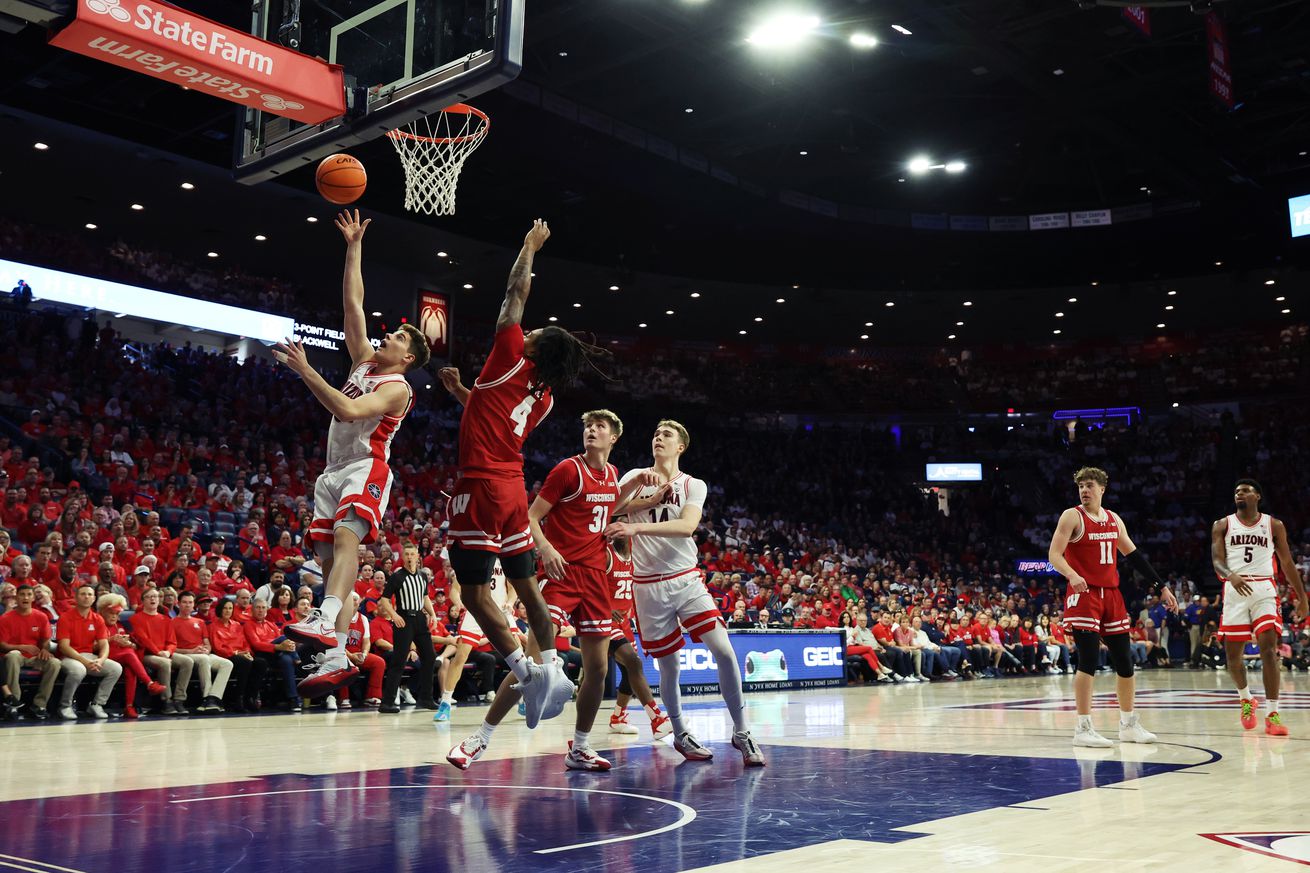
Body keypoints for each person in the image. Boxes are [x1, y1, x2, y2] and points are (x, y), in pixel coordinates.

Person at [437, 221, 611, 731]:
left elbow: (515, 290)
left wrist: (529, 247)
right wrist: (461, 391)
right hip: (512, 484)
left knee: (473, 594)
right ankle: (553, 668)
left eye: (533, 332)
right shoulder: (547, 397)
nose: (526, 328)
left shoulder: (511, 350)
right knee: (526, 586)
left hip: (480, 485)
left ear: (533, 348)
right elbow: (493, 416)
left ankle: (525, 671)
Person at [277, 210, 430, 697]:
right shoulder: (365, 359)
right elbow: (353, 302)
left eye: (399, 338)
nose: (388, 335)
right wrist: (353, 246)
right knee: (328, 565)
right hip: (331, 472)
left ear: (407, 357)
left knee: (346, 544)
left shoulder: (397, 388)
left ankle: (325, 622)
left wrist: (306, 369)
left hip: (367, 468)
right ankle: (337, 653)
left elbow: (344, 409)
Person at [449, 409, 649, 770]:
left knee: (599, 668)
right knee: (533, 661)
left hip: (595, 580)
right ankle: (480, 738)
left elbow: (606, 508)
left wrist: (641, 497)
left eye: (599, 426)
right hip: (561, 573)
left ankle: (581, 747)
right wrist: (546, 548)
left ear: (613, 437)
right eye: (587, 425)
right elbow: (529, 516)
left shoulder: (612, 476)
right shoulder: (568, 470)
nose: (591, 430)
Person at [605, 420, 765, 767]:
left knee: (723, 650)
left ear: (681, 446)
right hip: (647, 585)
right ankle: (680, 734)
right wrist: (641, 497)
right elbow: (606, 510)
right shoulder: (634, 476)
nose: (657, 438)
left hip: (685, 578)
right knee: (669, 667)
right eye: (655, 433)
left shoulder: (693, 484)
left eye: (666, 435)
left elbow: (686, 526)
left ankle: (742, 731)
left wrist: (636, 524)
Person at [1048, 466, 1177, 748]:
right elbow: (1054, 554)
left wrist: (1162, 587)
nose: (1084, 490)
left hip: (1112, 594)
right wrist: (1071, 574)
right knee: (1088, 660)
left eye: (1090, 485)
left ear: (1102, 489)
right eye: (1081, 485)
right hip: (1084, 594)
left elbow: (1135, 556)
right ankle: (1083, 728)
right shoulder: (1072, 516)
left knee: (1125, 662)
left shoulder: (1113, 519)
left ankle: (1128, 724)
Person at [1211, 479, 1308, 735]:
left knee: (1269, 650)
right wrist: (1229, 575)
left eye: (1245, 490)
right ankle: (1246, 699)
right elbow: (1217, 561)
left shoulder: (1273, 525)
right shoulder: (1222, 524)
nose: (1239, 494)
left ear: (1257, 496)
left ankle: (1273, 714)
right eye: (1236, 491)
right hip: (1234, 589)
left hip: (1264, 588)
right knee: (1233, 658)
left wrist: (1303, 597)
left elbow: (1287, 563)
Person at [605, 535, 672, 737]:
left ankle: (617, 718)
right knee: (634, 664)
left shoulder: (636, 554)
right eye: (614, 527)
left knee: (628, 672)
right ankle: (657, 719)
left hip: (624, 622)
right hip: (603, 618)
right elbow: (589, 583)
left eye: (622, 527)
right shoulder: (606, 553)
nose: (617, 531)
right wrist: (606, 608)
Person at [376, 543, 439, 713]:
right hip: (403, 618)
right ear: (403, 557)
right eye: (407, 554)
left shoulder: (422, 576)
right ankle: (387, 703)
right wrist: (394, 615)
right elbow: (384, 599)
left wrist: (432, 614)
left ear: (418, 556)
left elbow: (425, 597)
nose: (410, 557)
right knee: (399, 660)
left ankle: (426, 698)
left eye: (413, 554)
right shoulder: (397, 577)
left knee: (430, 657)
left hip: (419, 617)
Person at [56, 583, 123, 719]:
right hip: (69, 657)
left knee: (116, 668)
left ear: (94, 599)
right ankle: (65, 706)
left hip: (89, 656)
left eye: (90, 594)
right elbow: (64, 647)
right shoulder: (65, 617)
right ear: (75, 597)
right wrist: (85, 661)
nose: (86, 597)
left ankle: (97, 704)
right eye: (83, 594)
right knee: (79, 670)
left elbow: (104, 644)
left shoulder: (97, 619)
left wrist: (101, 660)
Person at [97, 593, 167, 718]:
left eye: (117, 614)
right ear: (103, 612)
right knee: (129, 655)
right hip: (104, 657)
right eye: (111, 613)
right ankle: (150, 684)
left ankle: (129, 707)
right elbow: (93, 646)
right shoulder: (98, 624)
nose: (114, 617)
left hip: (122, 657)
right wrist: (111, 640)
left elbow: (135, 645)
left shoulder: (120, 626)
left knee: (131, 670)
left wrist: (130, 644)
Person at [0, 584, 61, 719]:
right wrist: (21, 647)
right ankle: (13, 702)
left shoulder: (41, 616)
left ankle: (40, 704)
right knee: (13, 656)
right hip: (14, 655)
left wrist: (45, 649)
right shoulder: (5, 618)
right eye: (22, 594)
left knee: (55, 663)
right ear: (16, 597)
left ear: (33, 598)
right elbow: (2, 645)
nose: (25, 597)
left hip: (34, 657)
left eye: (29, 594)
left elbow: (45, 640)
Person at [132, 587, 194, 715]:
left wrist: (168, 652)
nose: (153, 599)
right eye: (149, 596)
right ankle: (167, 701)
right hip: (146, 654)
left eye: (155, 596)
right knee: (165, 663)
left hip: (164, 653)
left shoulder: (165, 619)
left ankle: (179, 699)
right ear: (143, 600)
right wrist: (159, 652)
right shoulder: (136, 618)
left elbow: (172, 641)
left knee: (187, 661)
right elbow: (144, 640)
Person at [173, 590, 231, 714]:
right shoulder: (172, 622)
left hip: (202, 653)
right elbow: (171, 648)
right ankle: (206, 698)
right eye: (184, 602)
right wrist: (191, 651)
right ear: (178, 604)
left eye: (190, 602)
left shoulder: (199, 622)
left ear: (194, 604)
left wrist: (207, 649)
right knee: (204, 659)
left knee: (227, 664)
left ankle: (213, 697)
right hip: (186, 654)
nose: (187, 605)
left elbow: (207, 642)